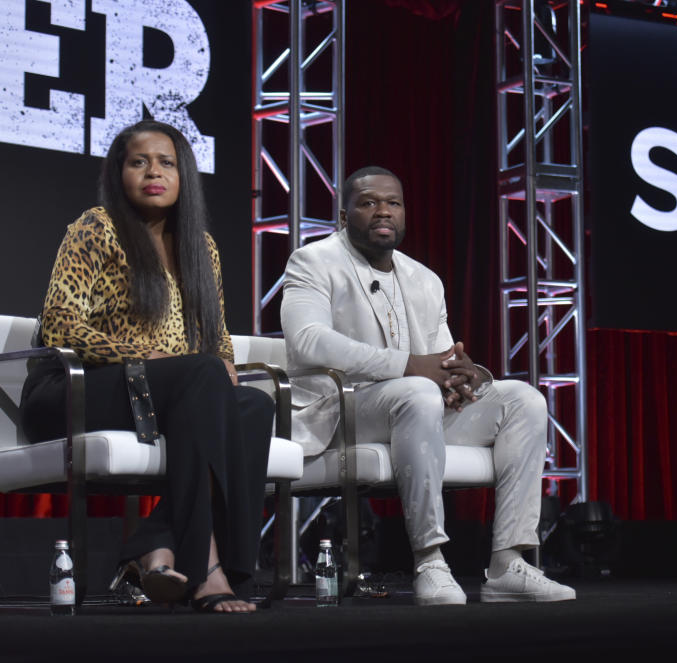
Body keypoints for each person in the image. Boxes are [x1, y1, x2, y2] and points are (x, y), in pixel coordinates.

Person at [281, 166, 576, 605]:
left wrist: (462, 376)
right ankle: (430, 561)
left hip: (412, 409)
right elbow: (307, 342)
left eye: (393, 203)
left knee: (522, 399)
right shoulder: (313, 261)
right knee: (416, 392)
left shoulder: (424, 278)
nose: (383, 211)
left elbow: (439, 359)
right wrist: (410, 367)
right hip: (338, 411)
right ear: (344, 217)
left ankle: (508, 563)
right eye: (368, 202)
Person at [19, 120, 273, 613]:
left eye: (166, 162)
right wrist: (138, 356)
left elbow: (215, 337)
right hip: (75, 391)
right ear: (120, 173)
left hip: (166, 395)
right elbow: (60, 327)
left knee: (254, 405)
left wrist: (225, 367)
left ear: (184, 177)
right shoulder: (97, 227)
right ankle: (207, 569)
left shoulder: (203, 249)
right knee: (201, 374)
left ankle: (156, 545)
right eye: (139, 162)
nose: (153, 172)